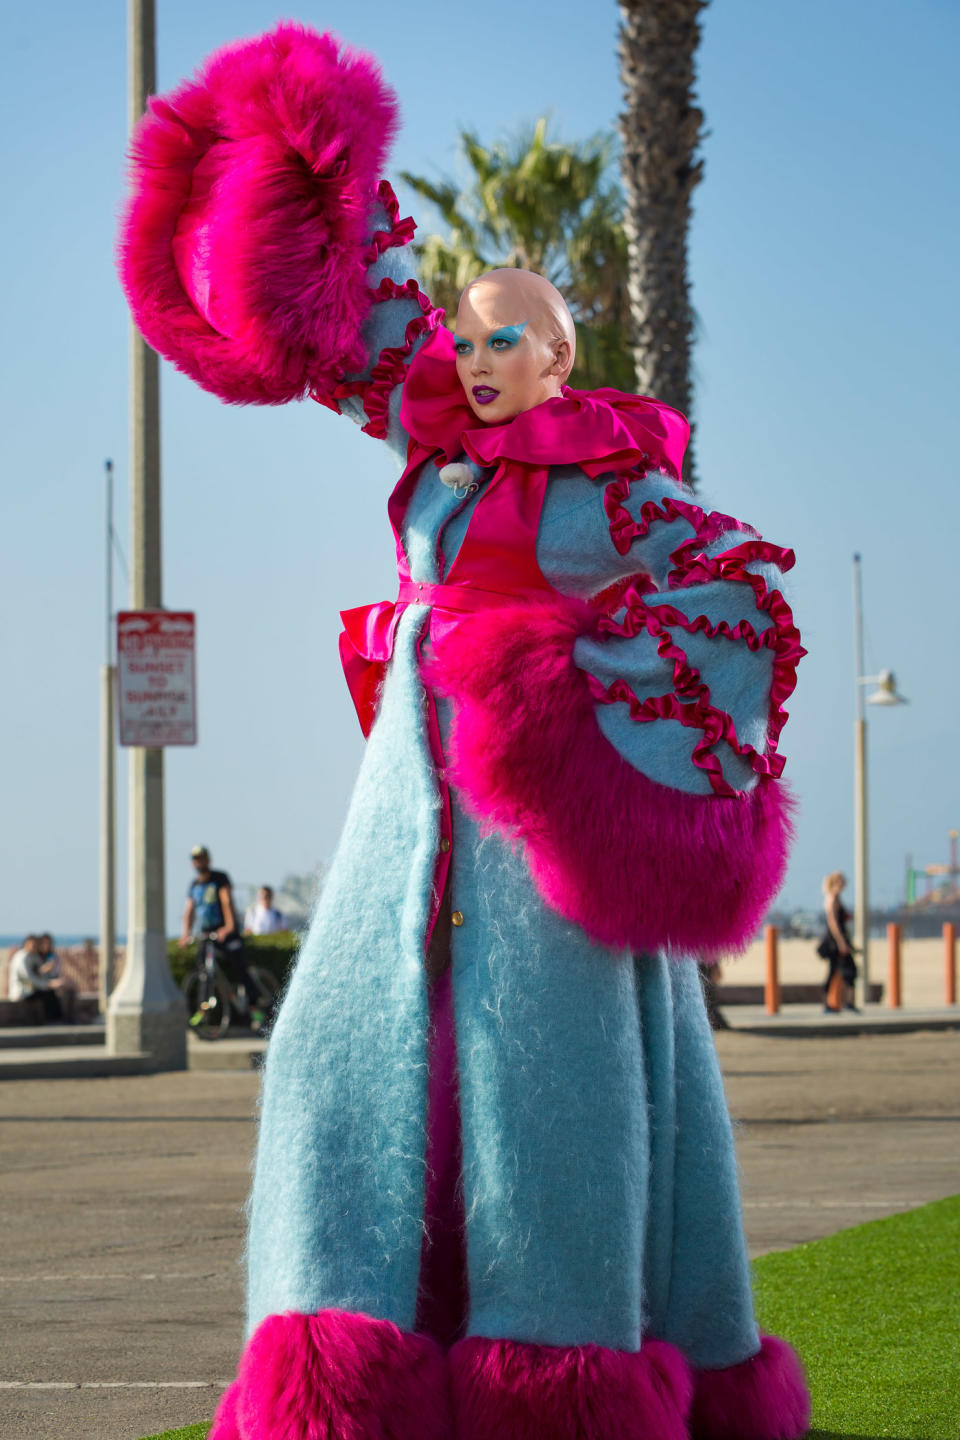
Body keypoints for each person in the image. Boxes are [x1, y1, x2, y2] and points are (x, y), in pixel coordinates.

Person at [119, 25, 809, 1440]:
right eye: (471, 328)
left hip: (533, 848)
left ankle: (556, 1375)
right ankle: (342, 1357)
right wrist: (305, 167)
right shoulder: (432, 440)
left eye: (511, 335)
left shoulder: (616, 492)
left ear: (560, 355)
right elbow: (357, 326)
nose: (480, 351)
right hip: (401, 830)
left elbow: (736, 603)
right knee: (337, 1050)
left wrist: (547, 687)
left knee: (547, 1091)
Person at [180, 847, 270, 1030]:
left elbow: (226, 901)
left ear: (207, 860)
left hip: (226, 932)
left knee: (240, 967)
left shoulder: (219, 878)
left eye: (201, 858)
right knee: (204, 969)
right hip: (207, 932)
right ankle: (203, 1009)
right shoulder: (194, 885)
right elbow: (189, 911)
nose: (198, 862)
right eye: (195, 859)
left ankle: (255, 1008)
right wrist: (185, 934)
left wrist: (229, 926)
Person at [818, 871, 858, 1013]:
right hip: (834, 941)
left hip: (839, 939)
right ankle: (832, 1004)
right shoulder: (832, 898)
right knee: (838, 970)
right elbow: (833, 923)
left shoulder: (837, 898)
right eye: (842, 882)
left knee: (845, 970)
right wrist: (841, 942)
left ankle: (846, 1002)